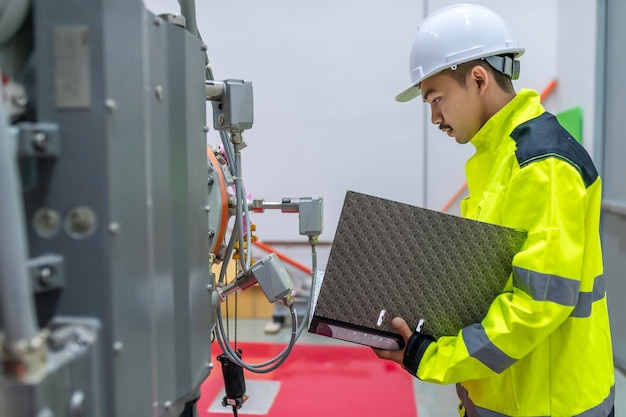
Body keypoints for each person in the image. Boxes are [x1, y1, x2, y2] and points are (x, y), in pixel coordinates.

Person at [373, 4, 615, 417]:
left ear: (479, 79)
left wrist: (434, 357)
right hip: (504, 396)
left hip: (548, 404)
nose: (434, 117)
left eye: (437, 98)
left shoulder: (541, 164)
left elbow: (535, 305)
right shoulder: (498, 158)